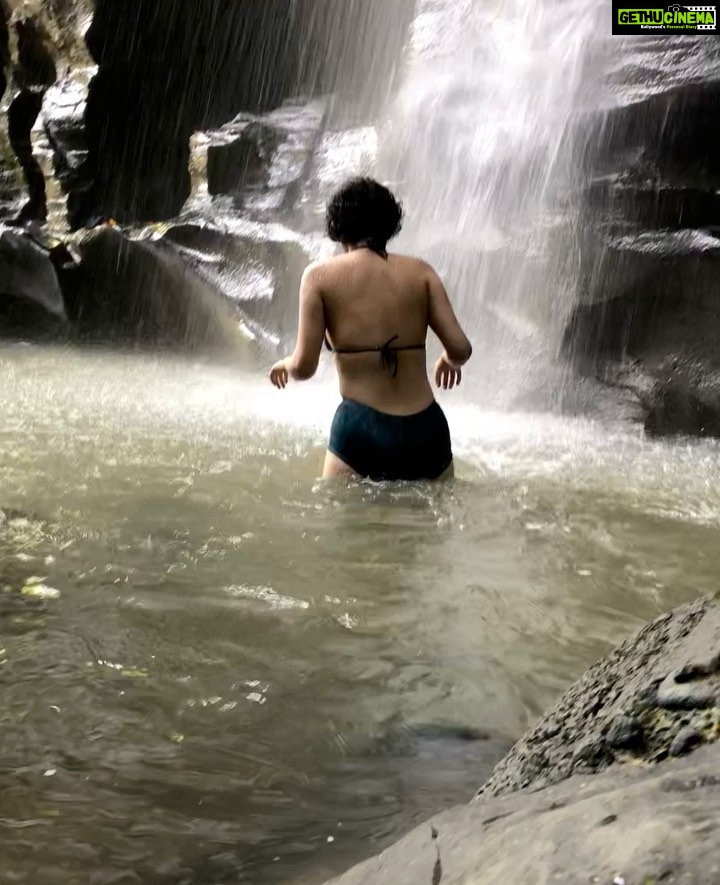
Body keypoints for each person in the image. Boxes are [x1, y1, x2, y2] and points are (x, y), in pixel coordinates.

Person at [269, 177, 472, 481]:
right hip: (426, 429)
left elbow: (305, 366)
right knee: (425, 525)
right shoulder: (422, 272)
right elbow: (461, 348)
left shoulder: (319, 277)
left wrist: (286, 364)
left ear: (337, 225)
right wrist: (448, 360)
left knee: (348, 525)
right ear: (389, 223)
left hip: (361, 428)